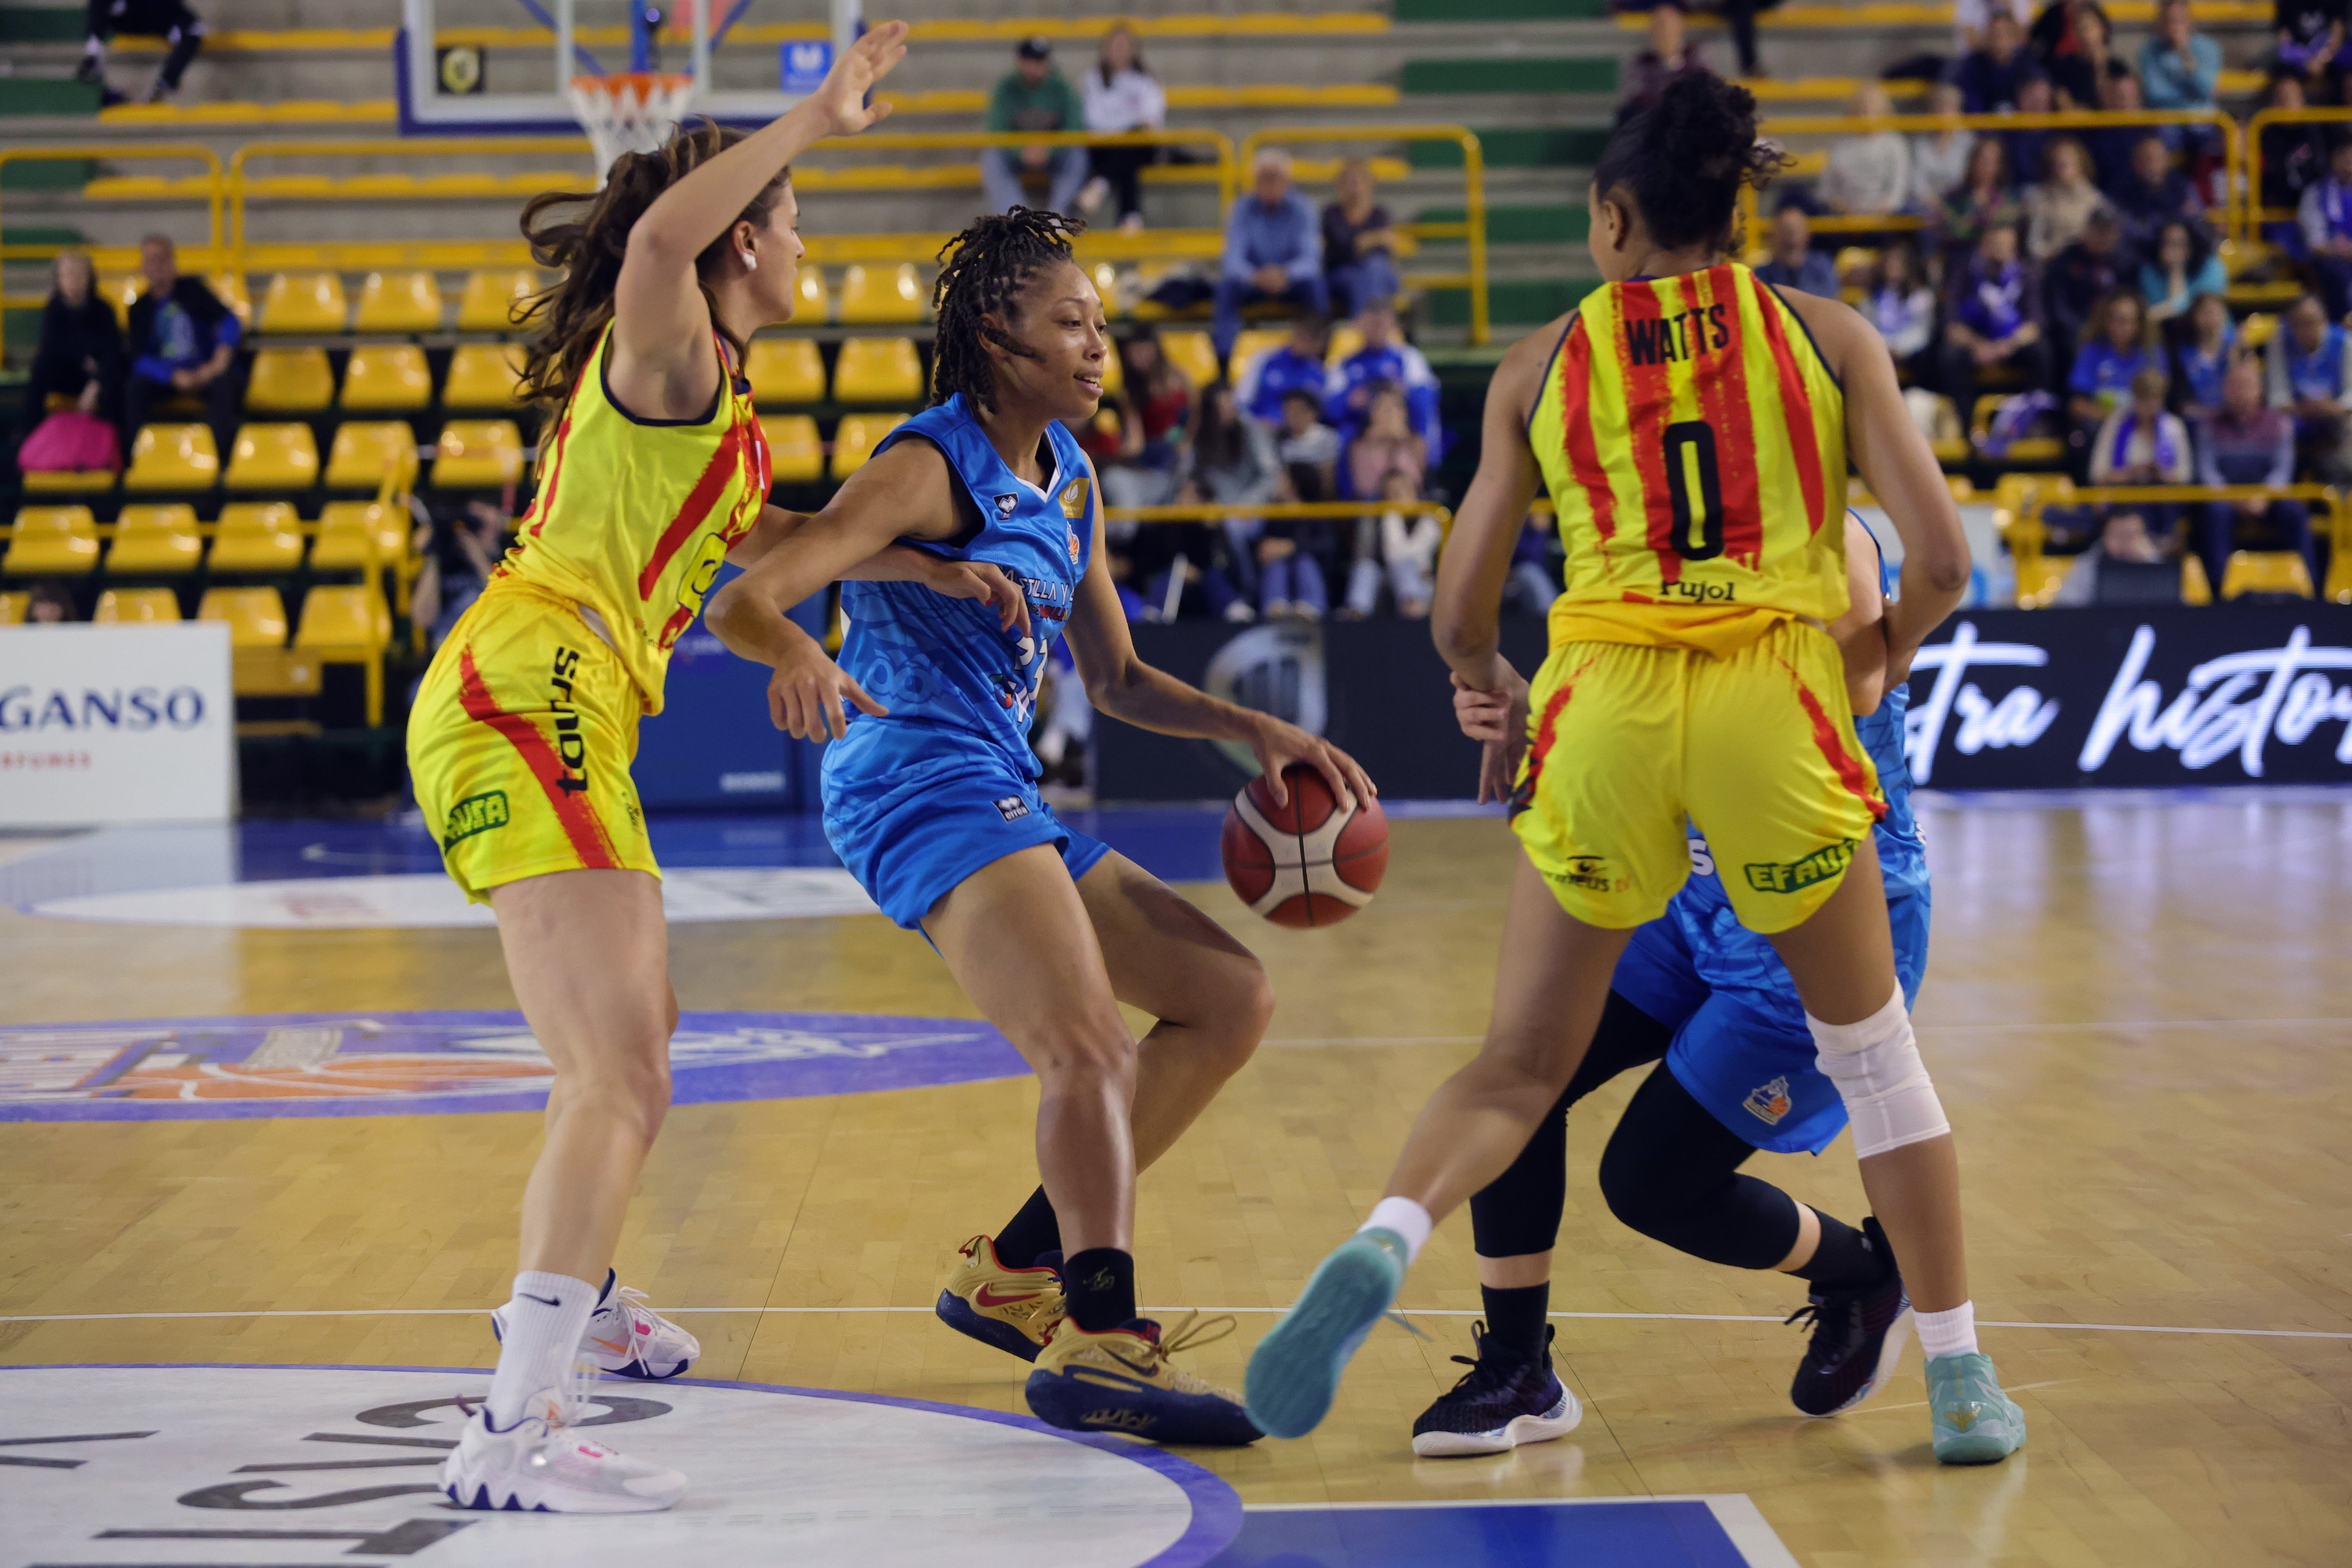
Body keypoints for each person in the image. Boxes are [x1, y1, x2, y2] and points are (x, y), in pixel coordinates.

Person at [1243, 72, 2022, 1467]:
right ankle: (1960, 1380)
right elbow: (1948, 559)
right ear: (1738, 207)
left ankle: (1386, 1233)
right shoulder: (1826, 336)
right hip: (1764, 705)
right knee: (1881, 1064)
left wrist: (1493, 688)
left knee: (1514, 1062)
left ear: (1611, 218)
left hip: (1600, 695)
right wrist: (1878, 653)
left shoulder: (1542, 362)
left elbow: (1457, 615)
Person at [704, 207, 1375, 1447]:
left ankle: (1015, 1269)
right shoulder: (927, 464)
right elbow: (750, 593)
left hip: (999, 777)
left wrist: (1260, 731)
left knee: (1230, 998)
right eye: (1070, 322)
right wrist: (797, 649)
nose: (1097, 345)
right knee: (1087, 1046)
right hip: (911, 771)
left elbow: (1114, 678)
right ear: (997, 337)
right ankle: (1101, 1337)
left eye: (1103, 324)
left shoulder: (1072, 478)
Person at [406, 27, 922, 1515]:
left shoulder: (723, 417)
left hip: (564, 690)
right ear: (741, 238)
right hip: (529, 679)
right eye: (794, 219)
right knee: (618, 1063)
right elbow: (656, 236)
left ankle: (580, 1293)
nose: (804, 237)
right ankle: (514, 1422)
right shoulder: (668, 336)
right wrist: (814, 116)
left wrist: (885, 593)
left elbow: (743, 562)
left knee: (635, 1035)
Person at [1411, 514, 1931, 1457]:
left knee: (1648, 1183)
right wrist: (1534, 713)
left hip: (1816, 916)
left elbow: (1789, 712)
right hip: (1685, 892)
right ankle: (1519, 1370)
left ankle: (1861, 1274)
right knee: (1522, 1085)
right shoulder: (1640, 532)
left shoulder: (1826, 539)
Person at [122, 233, 243, 457]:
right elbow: (139, 359)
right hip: (168, 377)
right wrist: (173, 376)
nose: (157, 266)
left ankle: (221, 462)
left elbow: (229, 321)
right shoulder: (139, 309)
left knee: (225, 387)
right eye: (150, 260)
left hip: (206, 370)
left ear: (172, 262)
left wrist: (217, 363)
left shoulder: (193, 289)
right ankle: (136, 460)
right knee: (133, 390)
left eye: (162, 259)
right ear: (143, 266)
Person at [2196, 359, 2314, 587]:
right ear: (2225, 389)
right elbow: (2207, 471)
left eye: (2247, 385)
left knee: (2295, 512)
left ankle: (2308, 585)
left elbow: (2282, 470)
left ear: (2260, 389)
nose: (2241, 392)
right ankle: (2220, 589)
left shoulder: (2280, 423)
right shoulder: (2209, 426)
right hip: (2226, 499)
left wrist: (2262, 497)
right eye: (2235, 385)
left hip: (2267, 498)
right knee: (2214, 514)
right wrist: (2232, 498)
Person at [1184, 378, 1282, 619]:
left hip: (1255, 508)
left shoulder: (1250, 429)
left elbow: (1270, 477)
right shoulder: (1202, 437)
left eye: (1230, 407)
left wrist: (1243, 507)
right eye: (1220, 409)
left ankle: (1247, 592)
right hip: (1217, 512)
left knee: (1233, 527)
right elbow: (1188, 478)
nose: (1227, 413)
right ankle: (1227, 599)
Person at [1214, 150, 1327, 358]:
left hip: (1290, 281)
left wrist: (1285, 274)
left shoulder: (1304, 209)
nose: (1270, 184)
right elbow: (1232, 259)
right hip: (1253, 282)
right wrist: (1255, 276)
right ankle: (1224, 360)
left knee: (1316, 287)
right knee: (1226, 288)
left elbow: (1311, 260)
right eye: (1264, 178)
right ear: (1255, 181)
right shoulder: (1240, 209)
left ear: (1288, 182)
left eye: (1275, 178)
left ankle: (1319, 357)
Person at [1940, 222, 2051, 427]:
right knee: (1950, 355)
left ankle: (2032, 422)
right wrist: (1978, 345)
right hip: (1974, 344)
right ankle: (1965, 426)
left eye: (2005, 246)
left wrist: (2007, 346)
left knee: (2042, 352)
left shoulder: (2027, 274)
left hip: (2011, 344)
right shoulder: (1965, 272)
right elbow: (1951, 324)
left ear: (2014, 246)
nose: (2000, 251)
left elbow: (2035, 324)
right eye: (1995, 245)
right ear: (1984, 245)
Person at [19, 251, 123, 447]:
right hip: (68, 376)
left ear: (90, 277)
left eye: (79, 274)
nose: (73, 281)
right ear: (58, 280)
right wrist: (86, 358)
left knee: (115, 383)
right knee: (40, 367)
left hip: (98, 379)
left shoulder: (104, 310)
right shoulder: (54, 310)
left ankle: (113, 449)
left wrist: (95, 383)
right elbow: (52, 349)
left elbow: (112, 353)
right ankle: (30, 441)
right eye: (67, 275)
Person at [983, 37, 1088, 218]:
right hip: (1018, 156)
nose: (1034, 66)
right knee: (992, 158)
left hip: (1053, 155)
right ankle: (1016, 219)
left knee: (1077, 155)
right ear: (1020, 61)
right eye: (1029, 60)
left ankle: (1058, 216)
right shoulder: (1006, 89)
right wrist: (1021, 151)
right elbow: (997, 130)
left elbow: (1074, 128)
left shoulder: (1062, 88)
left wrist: (1049, 149)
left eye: (1039, 60)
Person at [1326, 298, 1444, 458]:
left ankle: (1425, 471)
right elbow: (1329, 408)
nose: (1377, 329)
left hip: (1402, 429)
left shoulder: (1408, 357)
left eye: (1382, 323)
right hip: (1359, 432)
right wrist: (1350, 401)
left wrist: (1400, 394)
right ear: (1360, 324)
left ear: (1392, 325)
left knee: (1425, 422)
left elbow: (1426, 398)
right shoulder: (1345, 364)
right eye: (1372, 323)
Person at [2090, 366, 2192, 546]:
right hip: (2124, 497)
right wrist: (2131, 473)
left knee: (2163, 499)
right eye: (2143, 400)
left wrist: (2160, 472)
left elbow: (2185, 475)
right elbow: (2098, 473)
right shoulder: (2116, 424)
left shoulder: (2173, 427)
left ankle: (2161, 552)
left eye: (2153, 400)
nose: (2148, 407)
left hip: (2161, 499)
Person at [1077, 24, 1162, 232]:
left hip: (1136, 143)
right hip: (1104, 146)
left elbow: (1151, 120)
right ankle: (1130, 216)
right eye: (1114, 46)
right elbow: (1091, 118)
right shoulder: (1092, 81)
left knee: (1131, 145)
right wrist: (1120, 131)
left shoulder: (1145, 82)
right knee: (1126, 154)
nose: (1119, 51)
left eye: (1124, 46)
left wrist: (1124, 131)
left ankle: (1102, 184)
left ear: (1133, 50)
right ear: (1105, 50)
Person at [1265, 388, 1342, 618]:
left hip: (1313, 564)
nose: (1290, 417)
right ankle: (1274, 605)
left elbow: (1328, 545)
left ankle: (1311, 606)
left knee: (1303, 560)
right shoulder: (1273, 514)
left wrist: (1292, 547)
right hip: (1280, 560)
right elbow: (1263, 545)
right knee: (1277, 563)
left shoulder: (1317, 513)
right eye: (1286, 411)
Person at [2266, 292, 2352, 482]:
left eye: (2311, 323)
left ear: (2324, 321)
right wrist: (2302, 408)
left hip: (2336, 414)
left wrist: (2333, 407)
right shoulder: (2279, 342)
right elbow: (2277, 395)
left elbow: (2350, 393)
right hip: (2297, 415)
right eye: (2298, 324)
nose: (2305, 330)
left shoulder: (2344, 342)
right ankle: (2281, 484)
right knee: (2279, 426)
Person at [2068, 287, 2156, 471]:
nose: (2117, 327)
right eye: (2113, 320)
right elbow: (2077, 404)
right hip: (2102, 425)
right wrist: (2113, 419)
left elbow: (2158, 401)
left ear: (2139, 324)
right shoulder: (2092, 352)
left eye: (2124, 321)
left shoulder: (2151, 356)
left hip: (2143, 425)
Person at [2043, 203, 2132, 375]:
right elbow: (2057, 307)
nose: (2103, 237)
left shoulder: (2124, 264)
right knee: (2069, 342)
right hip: (2075, 327)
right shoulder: (2066, 261)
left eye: (2108, 232)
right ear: (2086, 230)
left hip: (2114, 325)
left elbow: (2131, 300)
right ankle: (2076, 396)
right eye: (2098, 231)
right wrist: (2083, 329)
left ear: (2117, 235)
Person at [77, 0, 204, 104]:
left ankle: (164, 85)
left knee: (193, 31)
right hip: (128, 17)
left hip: (159, 16)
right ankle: (93, 54)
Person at [1322, 159, 1400, 321]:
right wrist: (1374, 239)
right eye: (1350, 182)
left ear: (1369, 184)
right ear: (1341, 185)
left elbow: (1382, 250)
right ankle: (1375, 329)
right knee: (1365, 278)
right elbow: (1342, 249)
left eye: (1359, 182)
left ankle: (1363, 328)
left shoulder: (1380, 214)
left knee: (1375, 268)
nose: (1355, 187)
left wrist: (1362, 243)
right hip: (1341, 274)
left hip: (1376, 272)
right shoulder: (1332, 214)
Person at [2261, 73, 2330, 251]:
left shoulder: (2319, 130)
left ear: (2302, 99)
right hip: (2278, 214)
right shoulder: (2263, 131)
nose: (2287, 102)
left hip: (2316, 209)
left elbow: (2322, 172)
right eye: (2281, 97)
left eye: (2291, 96)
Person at [1819, 83, 1910, 218]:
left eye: (1872, 108)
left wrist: (1878, 211)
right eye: (1862, 108)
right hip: (1845, 215)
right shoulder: (1840, 145)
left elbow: (1898, 189)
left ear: (1883, 111)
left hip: (1884, 216)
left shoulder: (1894, 143)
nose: (1866, 114)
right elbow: (1827, 189)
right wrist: (1842, 207)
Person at [2049, 507, 2173, 605]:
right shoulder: (2089, 565)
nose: (2125, 542)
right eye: (2119, 535)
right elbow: (2066, 605)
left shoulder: (2155, 565)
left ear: (2145, 537)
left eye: (2132, 535)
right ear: (2105, 538)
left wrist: (2152, 559)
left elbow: (2173, 608)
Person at [1236, 310, 1333, 428]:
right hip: (1260, 429)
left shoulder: (1321, 373)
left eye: (1313, 339)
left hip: (1300, 436)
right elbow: (1242, 400)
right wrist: (1257, 424)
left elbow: (1325, 413)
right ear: (1295, 333)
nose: (1305, 343)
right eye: (1303, 336)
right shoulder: (1265, 360)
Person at [1620, 2, 1711, 125]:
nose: (1665, 33)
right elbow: (1638, 95)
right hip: (1654, 122)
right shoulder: (1641, 63)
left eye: (1669, 26)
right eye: (1660, 27)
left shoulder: (1696, 57)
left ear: (1680, 27)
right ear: (1650, 31)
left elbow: (1706, 88)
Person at [2108, 134, 2203, 251]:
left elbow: (2197, 222)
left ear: (2167, 161)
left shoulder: (2183, 187)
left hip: (2180, 253)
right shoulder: (2122, 192)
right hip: (2140, 256)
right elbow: (2126, 231)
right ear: (2135, 163)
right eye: (2147, 160)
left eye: (2157, 159)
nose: (2152, 166)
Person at [1936, 138, 2023, 262]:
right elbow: (1951, 229)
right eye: (1982, 160)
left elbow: (2010, 227)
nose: (1986, 166)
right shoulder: (1955, 197)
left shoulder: (2008, 198)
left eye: (1992, 162)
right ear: (1972, 162)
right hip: (1963, 261)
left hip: (1999, 263)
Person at [1864, 241, 1937, 378]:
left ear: (1909, 267)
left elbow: (1922, 331)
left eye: (1898, 264)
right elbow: (1867, 327)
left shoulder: (1922, 297)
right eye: (1891, 264)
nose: (1894, 268)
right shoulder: (1873, 297)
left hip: (1911, 353)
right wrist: (1885, 347)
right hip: (1879, 349)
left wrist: (1901, 349)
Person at [2024, 136, 2102, 262]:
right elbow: (2035, 245)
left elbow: (2103, 240)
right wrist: (2052, 254)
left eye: (2067, 163)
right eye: (2058, 163)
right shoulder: (2041, 199)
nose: (2062, 168)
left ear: (2080, 164)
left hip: (2087, 264)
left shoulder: (2093, 199)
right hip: (2052, 264)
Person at [2139, 219, 2225, 330]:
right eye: (2168, 243)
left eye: (2180, 244)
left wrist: (2176, 269)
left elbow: (2185, 309)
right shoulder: (2149, 272)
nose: (2173, 250)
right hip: (2164, 335)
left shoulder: (2211, 267)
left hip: (2207, 335)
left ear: (2192, 246)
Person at [2299, 135, 2352, 314]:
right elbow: (2315, 244)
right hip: (2333, 260)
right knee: (2340, 278)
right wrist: (2342, 251)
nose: (2349, 164)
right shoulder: (2315, 194)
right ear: (2332, 158)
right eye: (2344, 157)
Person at [2140, 0, 2220, 116]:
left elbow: (2207, 90)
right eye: (2168, 21)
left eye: (2178, 21)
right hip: (2166, 120)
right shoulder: (2149, 52)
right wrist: (2188, 99)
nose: (2173, 27)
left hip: (2201, 119)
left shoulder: (2208, 48)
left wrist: (2185, 54)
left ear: (2188, 21)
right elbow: (2155, 93)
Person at [2169, 289, 2237, 422]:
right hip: (2193, 422)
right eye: (2206, 313)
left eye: (2217, 313)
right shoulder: (2181, 352)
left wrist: (2235, 361)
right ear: (2194, 317)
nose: (2212, 319)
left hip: (2229, 422)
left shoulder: (2236, 347)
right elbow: (2181, 403)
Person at [1909, 82, 1977, 213]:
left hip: (1959, 203)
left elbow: (1968, 178)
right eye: (1939, 109)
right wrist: (1930, 200)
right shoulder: (1919, 142)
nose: (1943, 115)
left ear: (1958, 112)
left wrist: (1950, 202)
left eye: (1949, 109)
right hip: (1924, 205)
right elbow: (1916, 179)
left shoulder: (1968, 142)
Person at [1953, 9, 2034, 112]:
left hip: (2021, 126)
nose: (1999, 39)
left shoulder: (2027, 65)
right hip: (1981, 125)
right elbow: (1973, 106)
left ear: (2014, 38)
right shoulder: (1973, 65)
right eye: (1995, 33)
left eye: (2004, 33)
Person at [2041, 1, 2113, 110]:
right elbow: (2065, 105)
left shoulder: (2117, 68)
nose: (2086, 35)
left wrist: (2100, 66)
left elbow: (2113, 105)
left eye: (2090, 27)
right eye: (2080, 29)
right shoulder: (2063, 67)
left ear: (2103, 29)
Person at [1756, 205, 1838, 297]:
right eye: (1784, 229)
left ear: (1808, 235)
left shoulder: (1822, 268)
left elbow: (1827, 300)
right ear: (1772, 237)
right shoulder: (1761, 274)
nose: (1790, 234)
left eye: (1796, 229)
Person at [2276, 0, 2346, 97]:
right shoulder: (2287, 4)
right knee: (2288, 87)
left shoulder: (2334, 3)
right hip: (2299, 62)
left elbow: (2337, 36)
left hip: (2329, 60)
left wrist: (2321, 59)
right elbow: (2284, 41)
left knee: (2350, 83)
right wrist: (2305, 61)